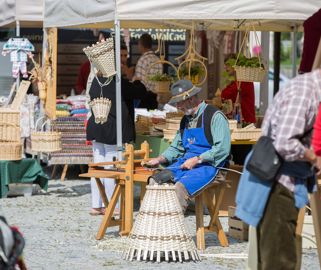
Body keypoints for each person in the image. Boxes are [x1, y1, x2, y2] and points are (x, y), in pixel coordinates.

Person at [236, 69, 321, 270]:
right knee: (279, 261)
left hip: (282, 181)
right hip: (277, 184)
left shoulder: (309, 89)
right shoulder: (305, 92)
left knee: (275, 257)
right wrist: (314, 158)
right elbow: (285, 142)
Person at [145, 80, 231, 211]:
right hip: (187, 163)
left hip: (211, 166)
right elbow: (176, 148)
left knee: (180, 187)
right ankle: (156, 227)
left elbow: (222, 149)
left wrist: (197, 159)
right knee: (156, 181)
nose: (178, 106)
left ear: (191, 99)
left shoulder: (215, 116)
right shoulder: (185, 120)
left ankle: (173, 229)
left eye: (180, 102)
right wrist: (159, 159)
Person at [86, 45, 149, 216]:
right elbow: (140, 92)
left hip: (98, 126)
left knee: (98, 166)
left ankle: (97, 205)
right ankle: (112, 205)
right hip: (113, 129)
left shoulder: (96, 81)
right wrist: (133, 79)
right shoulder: (117, 82)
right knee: (111, 167)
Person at [221, 54, 256, 124]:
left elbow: (225, 94)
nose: (225, 67)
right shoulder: (238, 81)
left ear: (235, 65)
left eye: (228, 65)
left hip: (247, 123)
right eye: (225, 65)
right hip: (243, 120)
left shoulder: (244, 80)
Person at [133, 33, 161, 109]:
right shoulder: (157, 60)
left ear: (140, 44)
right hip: (155, 98)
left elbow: (139, 83)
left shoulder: (142, 60)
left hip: (143, 99)